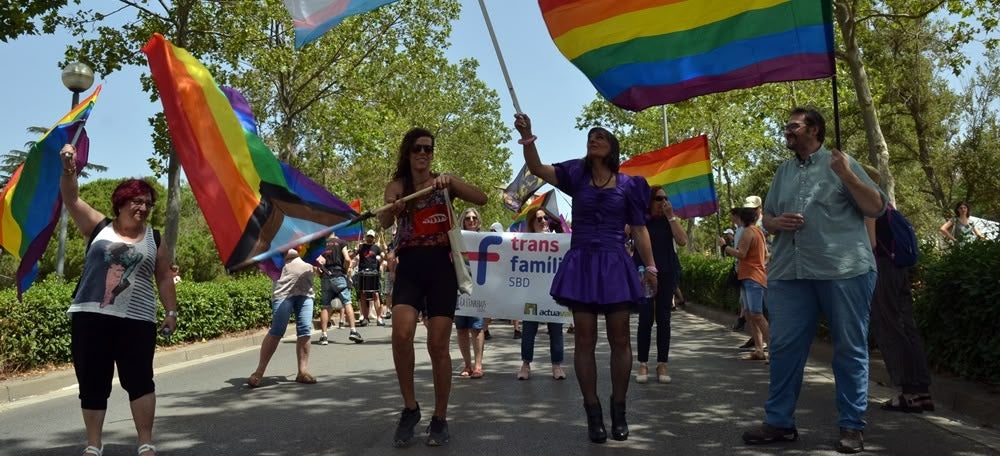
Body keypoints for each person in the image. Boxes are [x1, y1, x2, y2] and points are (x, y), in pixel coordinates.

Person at [741, 108, 886, 454]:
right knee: (784, 349)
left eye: (793, 126)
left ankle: (852, 427)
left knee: (849, 350)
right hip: (790, 274)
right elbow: (769, 218)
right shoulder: (783, 171)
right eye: (787, 125)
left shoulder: (841, 162)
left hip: (844, 271)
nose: (787, 131)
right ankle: (779, 422)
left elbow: (877, 207)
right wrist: (775, 224)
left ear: (815, 129)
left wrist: (848, 176)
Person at [515, 113, 656, 444]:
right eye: (590, 137)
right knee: (584, 340)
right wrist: (528, 134)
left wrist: (651, 268)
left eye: (600, 137)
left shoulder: (629, 185)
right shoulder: (575, 175)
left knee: (621, 339)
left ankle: (618, 410)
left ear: (612, 148)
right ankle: (593, 412)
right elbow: (536, 169)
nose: (593, 140)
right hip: (581, 263)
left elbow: (639, 229)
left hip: (615, 264)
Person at [59, 144, 178, 456]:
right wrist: (70, 169)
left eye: (148, 203)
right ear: (122, 202)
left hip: (137, 321)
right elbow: (71, 199)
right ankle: (94, 444)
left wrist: (171, 311)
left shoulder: (154, 238)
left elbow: (164, 275)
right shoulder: (98, 227)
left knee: (140, 381)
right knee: (92, 383)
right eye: (137, 201)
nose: (143, 207)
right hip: (91, 316)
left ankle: (145, 442)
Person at [379, 127, 487, 447]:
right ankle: (410, 408)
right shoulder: (398, 186)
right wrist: (393, 208)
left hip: (442, 267)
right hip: (410, 266)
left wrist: (451, 181)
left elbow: (481, 198)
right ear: (408, 153)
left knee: (438, 345)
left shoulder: (444, 183)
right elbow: (384, 221)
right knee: (401, 334)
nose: (423, 154)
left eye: (428, 149)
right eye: (417, 149)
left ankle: (439, 418)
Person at [871, 209, 935, 413]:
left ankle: (907, 394)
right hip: (899, 267)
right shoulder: (887, 206)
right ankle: (922, 392)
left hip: (882, 268)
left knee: (888, 327)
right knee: (908, 326)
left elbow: (871, 243)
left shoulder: (868, 205)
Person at [635, 187, 688, 384]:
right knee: (646, 318)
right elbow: (624, 234)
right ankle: (642, 363)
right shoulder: (640, 220)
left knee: (664, 319)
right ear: (649, 201)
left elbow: (682, 241)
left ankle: (662, 363)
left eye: (666, 198)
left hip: (666, 273)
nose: (663, 202)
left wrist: (671, 216)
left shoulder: (670, 219)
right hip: (644, 274)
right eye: (658, 198)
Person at [247, 249, 318, 388]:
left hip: (306, 290)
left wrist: (318, 259)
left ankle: (302, 372)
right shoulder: (280, 238)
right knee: (277, 330)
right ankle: (259, 371)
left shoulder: (309, 236)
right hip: (283, 290)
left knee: (305, 330)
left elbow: (313, 255)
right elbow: (269, 259)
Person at [516, 209, 567, 381]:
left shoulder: (558, 240)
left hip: (553, 294)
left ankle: (557, 365)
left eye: (546, 218)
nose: (544, 221)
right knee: (529, 330)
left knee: (556, 330)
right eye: (539, 219)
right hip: (532, 294)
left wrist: (560, 228)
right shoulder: (525, 242)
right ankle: (525, 364)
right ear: (532, 223)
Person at [719, 207, 769, 361]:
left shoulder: (747, 232)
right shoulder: (758, 231)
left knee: (756, 314)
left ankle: (774, 350)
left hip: (752, 277)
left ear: (742, 218)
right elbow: (766, 254)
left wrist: (724, 246)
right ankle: (759, 350)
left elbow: (741, 254)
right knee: (748, 313)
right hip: (749, 276)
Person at [455, 208, 486, 379]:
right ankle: (467, 364)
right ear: (463, 221)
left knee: (477, 328)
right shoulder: (456, 239)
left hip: (478, 290)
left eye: (474, 217)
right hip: (459, 289)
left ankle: (478, 365)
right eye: (468, 218)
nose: (472, 220)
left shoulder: (485, 239)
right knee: (461, 328)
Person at [317, 235, 363, 345]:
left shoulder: (320, 245)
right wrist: (345, 270)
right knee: (347, 302)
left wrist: (321, 275)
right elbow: (347, 259)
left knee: (325, 306)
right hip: (338, 275)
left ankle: (324, 336)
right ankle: (353, 331)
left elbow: (317, 263)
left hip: (326, 277)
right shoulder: (341, 242)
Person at [353, 230, 385, 326]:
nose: (369, 238)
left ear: (374, 238)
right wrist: (355, 250)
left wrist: (382, 257)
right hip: (363, 272)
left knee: (375, 294)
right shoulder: (361, 247)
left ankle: (379, 318)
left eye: (371, 236)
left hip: (373, 273)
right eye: (368, 236)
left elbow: (383, 257)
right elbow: (353, 255)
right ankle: (365, 318)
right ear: (366, 237)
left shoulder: (376, 248)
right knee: (363, 294)